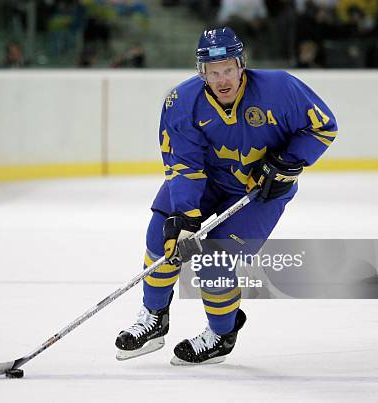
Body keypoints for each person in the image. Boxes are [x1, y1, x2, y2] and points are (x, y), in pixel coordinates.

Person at [115, 27, 338, 365]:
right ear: (201, 72)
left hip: (260, 190)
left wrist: (287, 164)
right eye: (213, 72)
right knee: (162, 235)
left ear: (241, 65)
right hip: (207, 182)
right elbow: (184, 164)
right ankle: (154, 317)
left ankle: (221, 334)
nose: (222, 80)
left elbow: (323, 126)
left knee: (214, 260)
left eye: (229, 70)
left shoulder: (279, 89)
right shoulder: (182, 102)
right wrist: (185, 217)